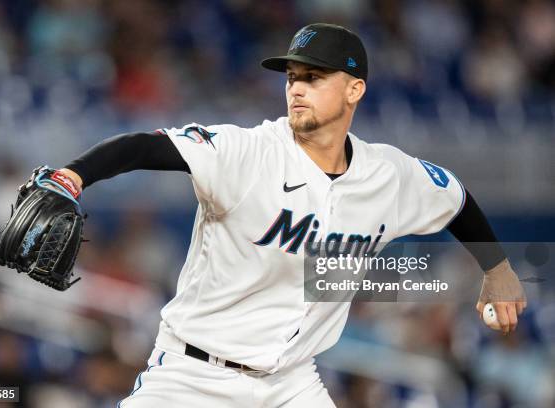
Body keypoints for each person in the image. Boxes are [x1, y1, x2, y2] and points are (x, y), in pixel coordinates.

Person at [58, 23, 527, 407]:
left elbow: (457, 199)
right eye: (292, 78)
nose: (297, 89)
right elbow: (145, 146)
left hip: (291, 384)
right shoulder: (248, 152)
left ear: (354, 90)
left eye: (314, 78)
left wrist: (498, 268)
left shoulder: (389, 174)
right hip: (192, 377)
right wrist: (73, 177)